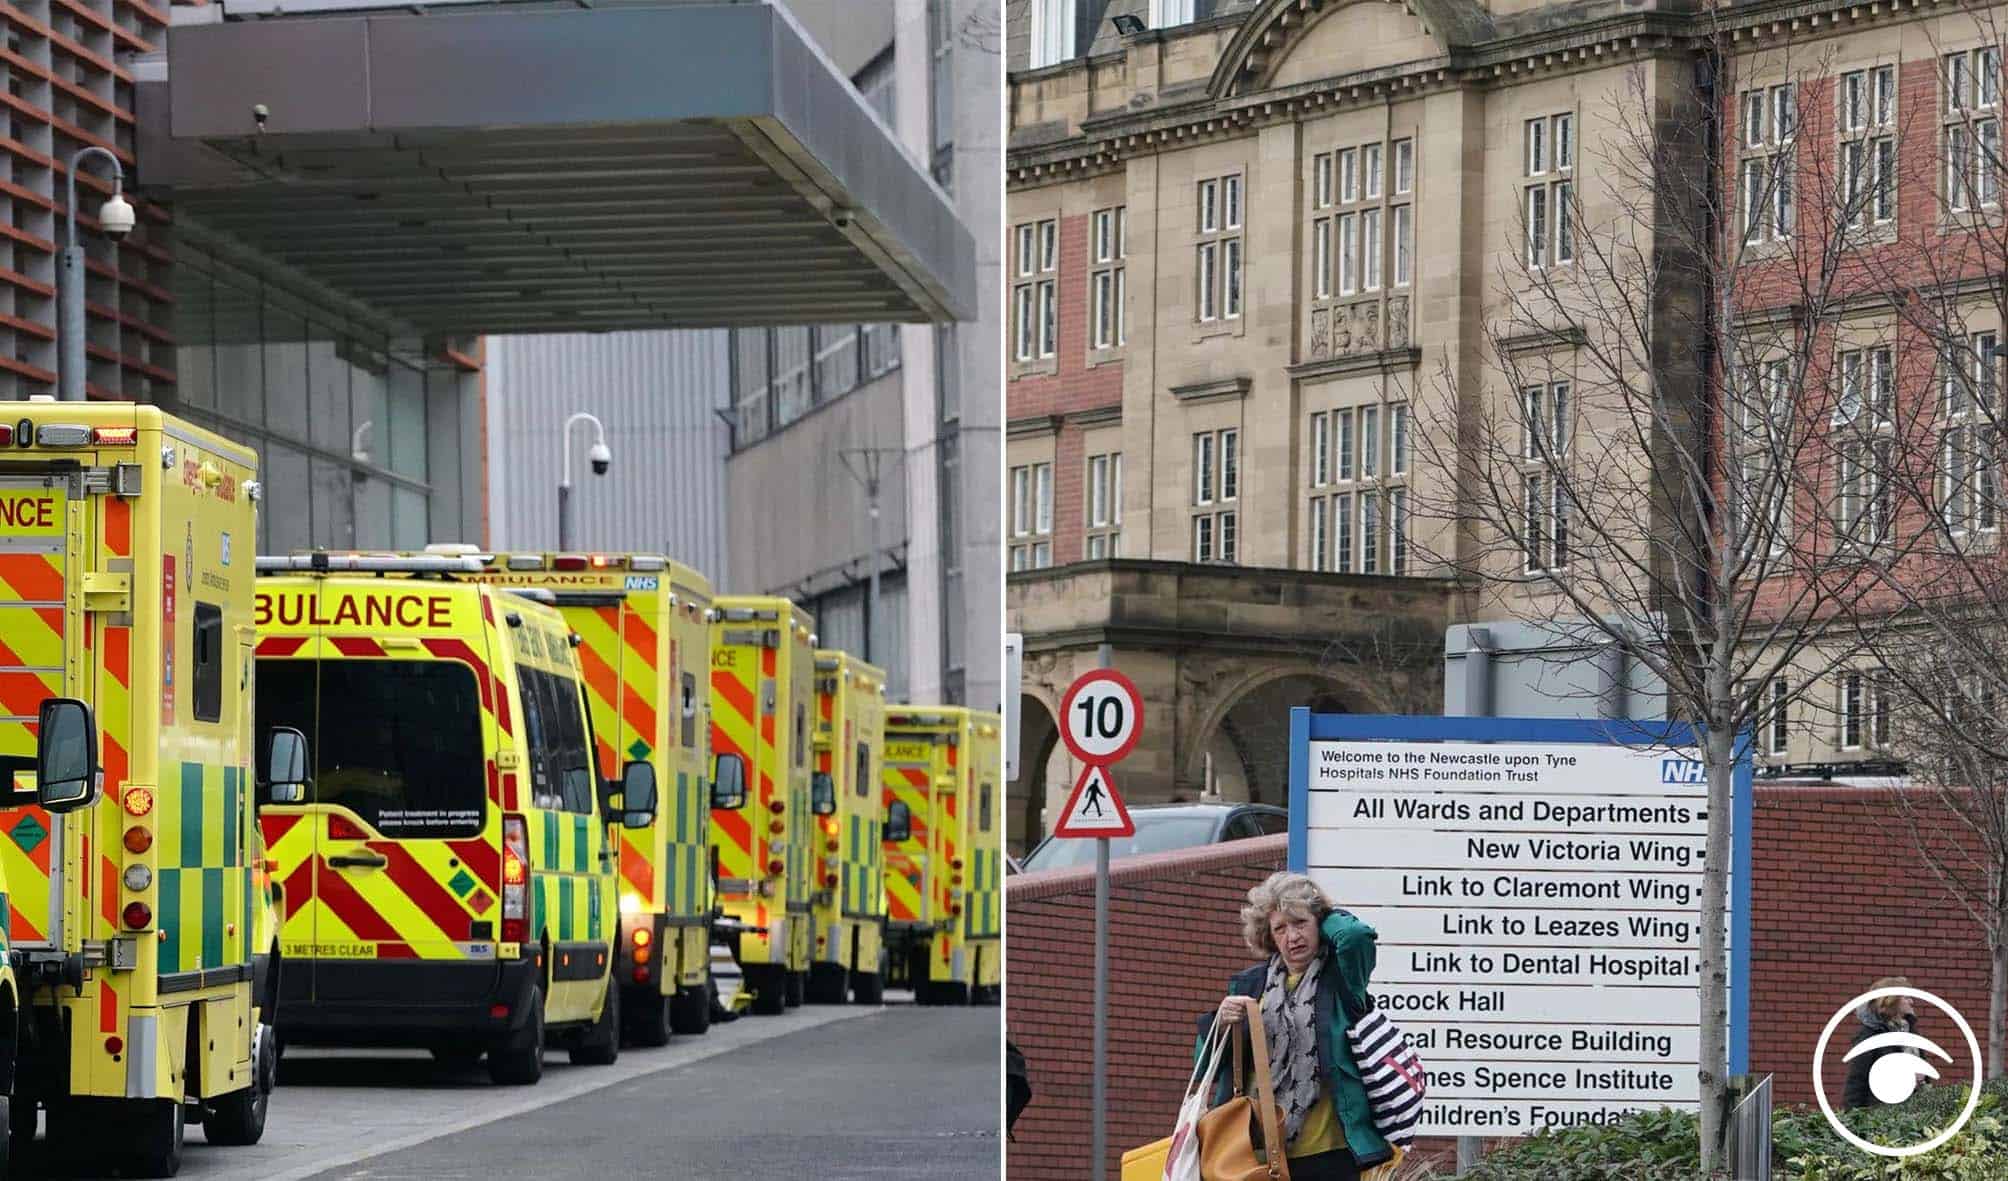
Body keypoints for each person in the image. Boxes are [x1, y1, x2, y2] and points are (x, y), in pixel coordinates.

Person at [1197, 870, 1393, 1181]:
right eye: (1280, 928)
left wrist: (1325, 914)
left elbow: (1356, 937)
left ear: (1320, 925)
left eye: (1301, 923)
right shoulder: (1250, 985)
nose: (1293, 937)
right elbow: (1205, 1064)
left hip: (1330, 1153)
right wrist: (1219, 1025)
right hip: (1255, 1155)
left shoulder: (1342, 980)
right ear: (1268, 936)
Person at [1843, 976, 1921, 1109]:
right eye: (1906, 997)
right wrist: (1852, 1120)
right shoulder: (1870, 1035)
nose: (1911, 1002)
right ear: (1891, 1000)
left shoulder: (1909, 1031)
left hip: (1912, 1112)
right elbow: (1857, 1079)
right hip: (1881, 1116)